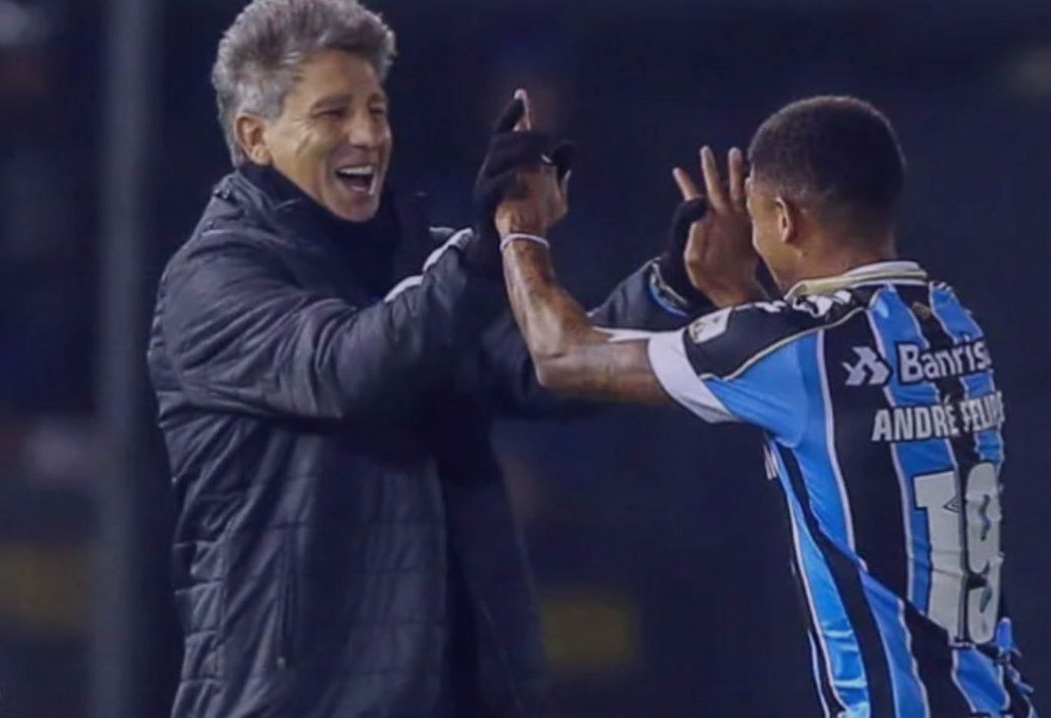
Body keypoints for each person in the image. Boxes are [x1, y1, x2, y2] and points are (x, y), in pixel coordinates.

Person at [146, 1, 724, 716]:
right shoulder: (215, 278)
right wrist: (483, 252)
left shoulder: (423, 258)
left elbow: (552, 369)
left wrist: (672, 286)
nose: (367, 135)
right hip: (296, 699)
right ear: (254, 136)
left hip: (457, 689)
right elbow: (347, 369)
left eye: (376, 110)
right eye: (333, 113)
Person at [494, 94, 1038, 717]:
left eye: (754, 217)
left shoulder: (795, 349)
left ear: (784, 220)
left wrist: (519, 227)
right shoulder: (950, 322)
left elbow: (561, 355)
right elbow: (826, 387)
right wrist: (737, 294)